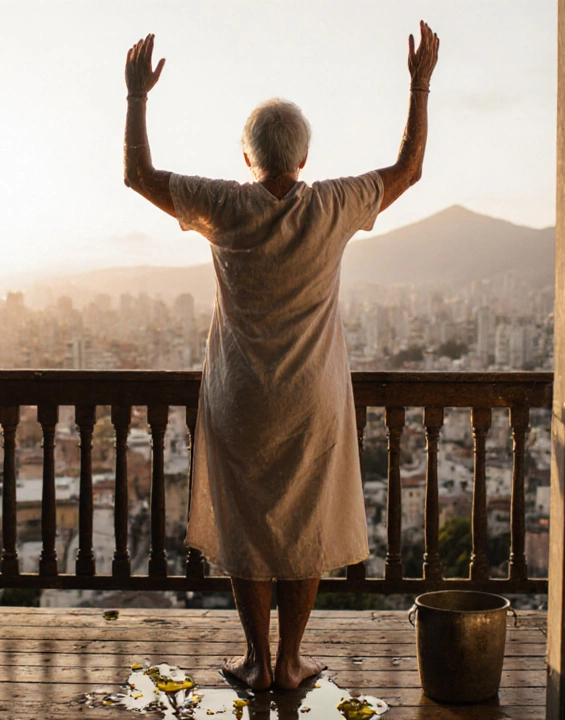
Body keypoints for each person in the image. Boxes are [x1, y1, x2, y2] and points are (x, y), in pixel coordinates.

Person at [122, 22, 440, 691]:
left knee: (244, 520)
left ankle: (257, 661)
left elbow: (138, 175)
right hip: (311, 398)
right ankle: (292, 659)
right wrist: (419, 84)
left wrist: (136, 98)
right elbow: (408, 169)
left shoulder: (223, 206)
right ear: (304, 156)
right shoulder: (332, 204)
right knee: (306, 523)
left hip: (240, 396)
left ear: (248, 156)